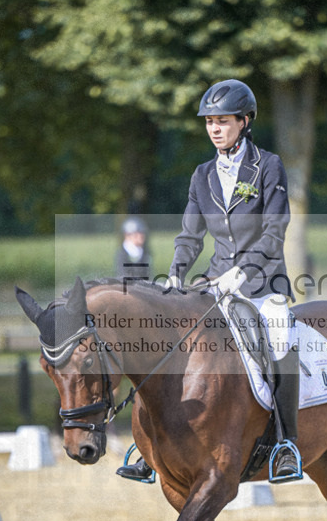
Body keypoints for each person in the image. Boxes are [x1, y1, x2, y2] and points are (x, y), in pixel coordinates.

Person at [116, 78, 302, 484]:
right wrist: (178, 270)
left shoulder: (268, 166)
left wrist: (245, 270)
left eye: (223, 121)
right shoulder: (202, 174)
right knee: (172, 338)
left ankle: (287, 443)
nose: (215, 128)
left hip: (263, 283)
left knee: (280, 336)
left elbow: (274, 232)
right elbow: (190, 235)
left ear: (245, 121)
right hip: (215, 282)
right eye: (209, 122)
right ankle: (151, 446)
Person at [114, 217, 152, 283]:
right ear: (127, 235)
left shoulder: (145, 253)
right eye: (136, 234)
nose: (141, 236)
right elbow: (122, 274)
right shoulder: (122, 254)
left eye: (142, 233)